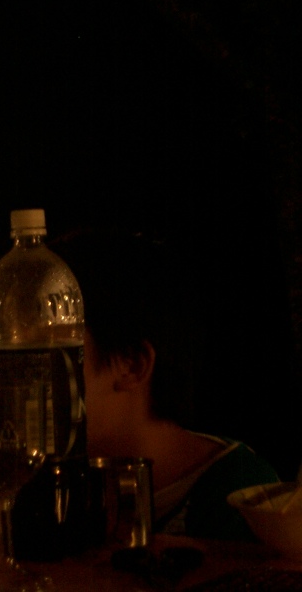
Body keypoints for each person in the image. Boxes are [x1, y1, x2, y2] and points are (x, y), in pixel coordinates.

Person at [52, 227, 280, 541]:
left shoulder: (241, 496)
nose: (28, 382)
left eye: (54, 352)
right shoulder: (48, 482)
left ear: (132, 365)